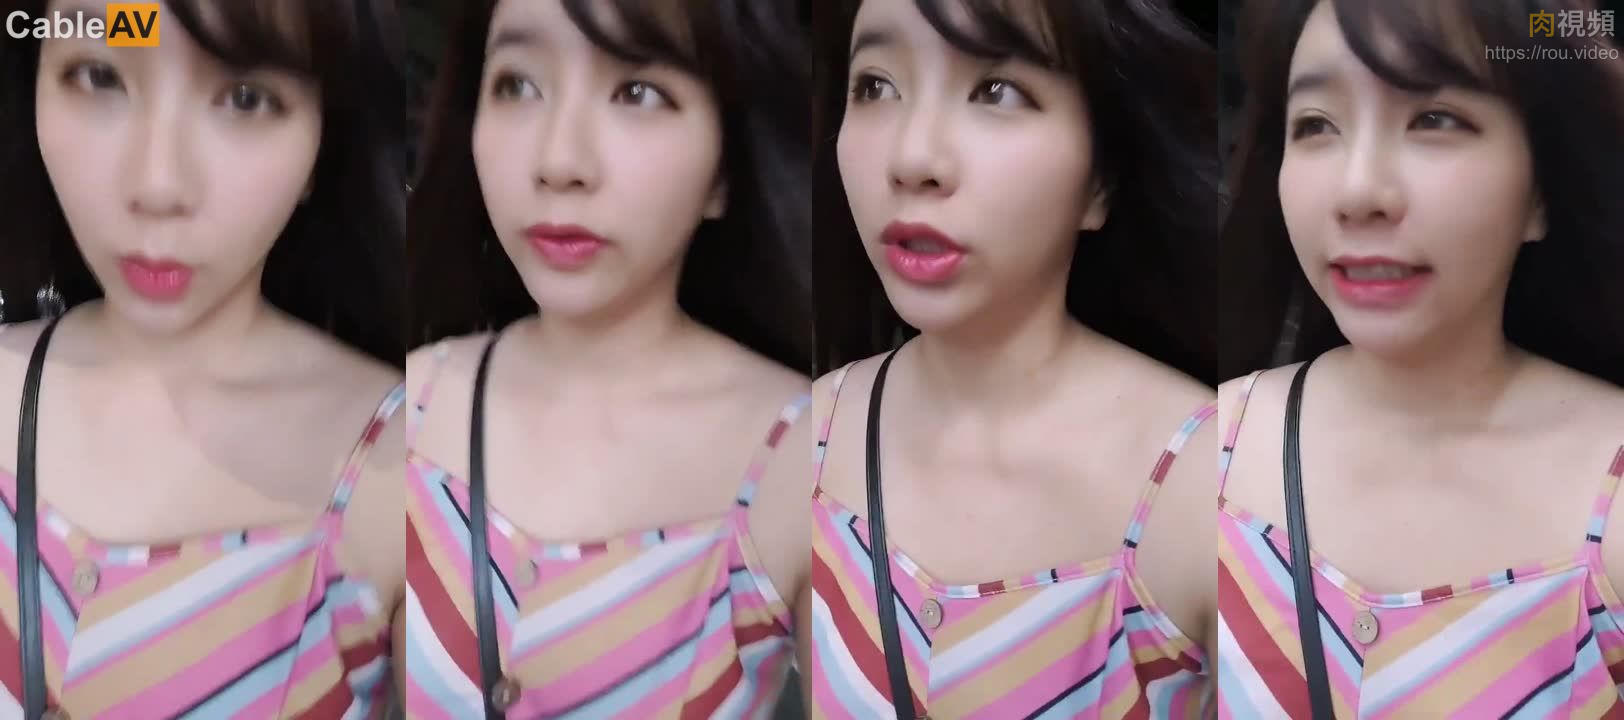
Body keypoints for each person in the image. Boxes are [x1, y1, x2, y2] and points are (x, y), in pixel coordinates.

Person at [806, 0, 1222, 716]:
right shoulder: (806, 440)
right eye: (875, 85)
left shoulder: (1206, 489)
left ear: (1101, 179)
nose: (913, 160)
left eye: (995, 91)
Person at [400, 0, 814, 716]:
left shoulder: (805, 460)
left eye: (638, 92)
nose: (560, 162)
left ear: (725, 168)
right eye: (517, 85)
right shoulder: (409, 403)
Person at [1216, 0, 1624, 715]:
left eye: (1434, 119)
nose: (1358, 192)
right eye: (1316, 125)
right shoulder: (1205, 450)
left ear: (1541, 190)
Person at [0, 0, 407, 716]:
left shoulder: (408, 476)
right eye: (98, 75)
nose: (157, 186)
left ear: (323, 140)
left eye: (246, 97)